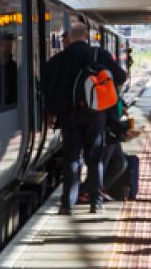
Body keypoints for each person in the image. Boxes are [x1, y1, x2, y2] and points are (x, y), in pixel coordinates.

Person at [40, 19, 125, 217]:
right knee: (95, 158)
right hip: (96, 115)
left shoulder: (57, 60)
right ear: (86, 37)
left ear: (68, 39)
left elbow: (46, 87)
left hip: (69, 116)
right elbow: (120, 76)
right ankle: (96, 203)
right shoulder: (98, 54)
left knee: (72, 158)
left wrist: (51, 113)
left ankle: (67, 205)